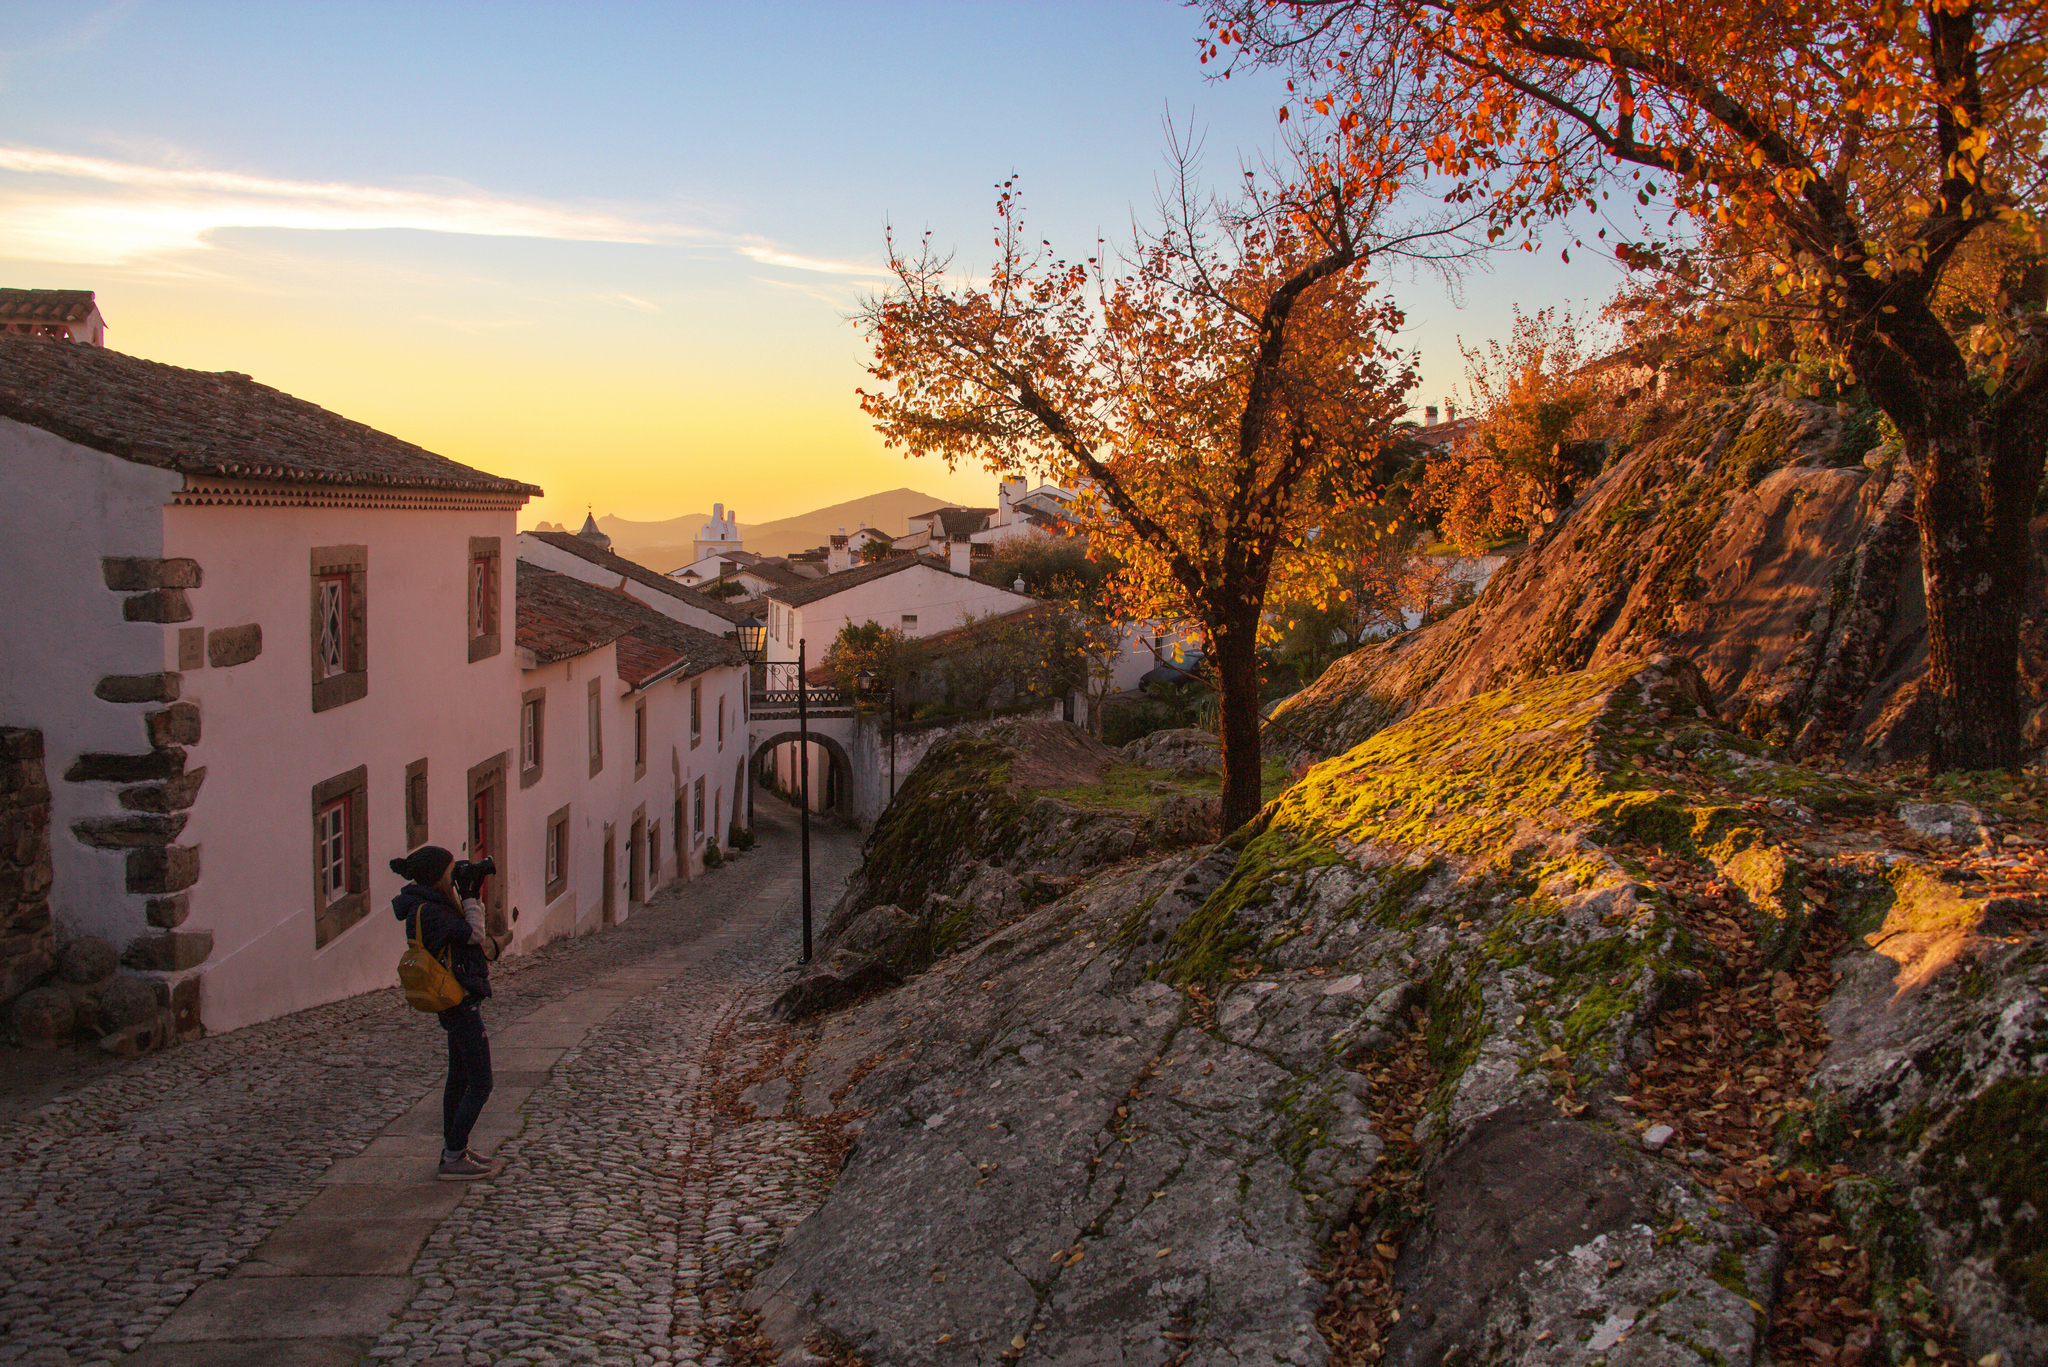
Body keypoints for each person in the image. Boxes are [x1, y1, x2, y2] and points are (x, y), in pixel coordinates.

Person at [389, 845, 505, 1180]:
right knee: (482, 1082)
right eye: (452, 869)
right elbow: (475, 934)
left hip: (455, 999)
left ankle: (455, 1148)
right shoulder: (431, 910)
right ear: (439, 874)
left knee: (459, 1077)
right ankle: (453, 1155)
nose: (456, 874)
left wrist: (470, 896)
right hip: (459, 1003)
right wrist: (469, 896)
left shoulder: (428, 905)